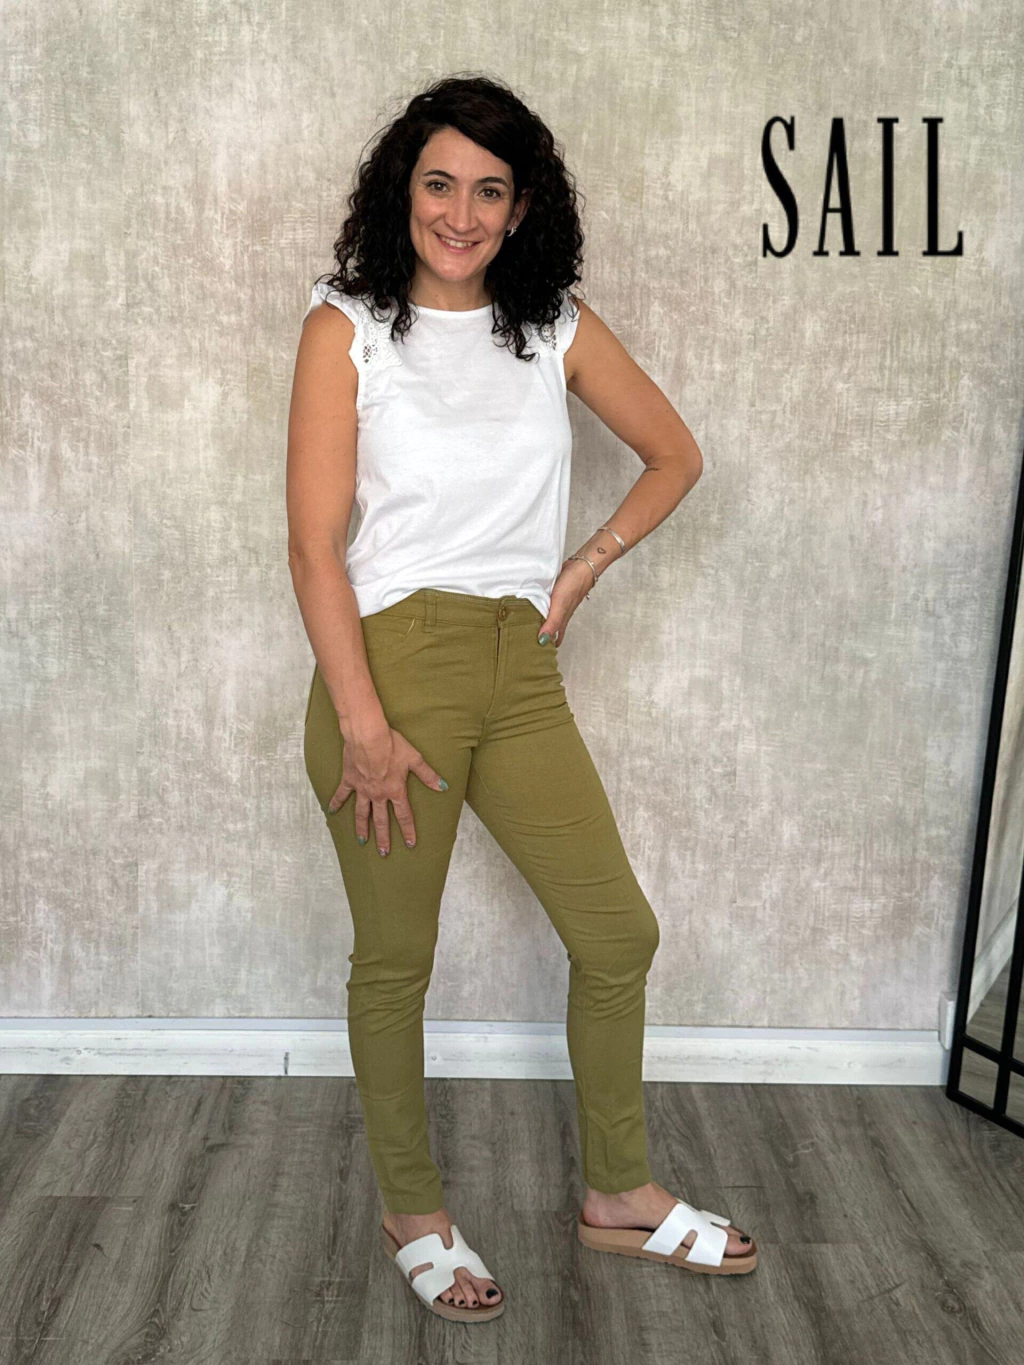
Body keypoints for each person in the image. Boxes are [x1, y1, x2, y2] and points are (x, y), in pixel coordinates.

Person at [287, 74, 756, 1323]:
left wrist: (584, 566)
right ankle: (412, 1207)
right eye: (439, 183)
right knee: (397, 960)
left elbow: (676, 455)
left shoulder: (549, 328)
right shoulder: (348, 327)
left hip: (520, 668)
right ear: (401, 191)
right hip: (390, 672)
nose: (461, 213)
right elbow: (313, 546)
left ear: (520, 207)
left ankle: (618, 1192)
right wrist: (364, 726)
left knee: (616, 935)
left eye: (488, 191)